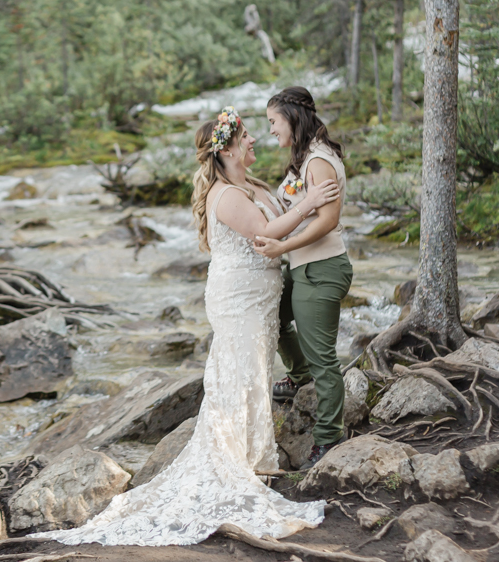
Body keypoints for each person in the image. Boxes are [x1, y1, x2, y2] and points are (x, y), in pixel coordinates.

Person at [31, 106, 336, 547]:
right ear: (228, 149)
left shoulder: (248, 184)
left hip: (257, 296)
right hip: (240, 299)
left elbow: (277, 214)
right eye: (246, 136)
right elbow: (267, 233)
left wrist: (300, 195)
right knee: (240, 375)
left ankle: (253, 460)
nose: (254, 140)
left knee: (252, 376)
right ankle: (240, 466)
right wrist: (310, 202)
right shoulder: (227, 196)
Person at [254, 86, 353, 470]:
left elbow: (327, 221)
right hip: (303, 267)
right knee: (272, 316)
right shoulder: (305, 158)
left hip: (321, 268)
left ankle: (330, 438)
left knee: (324, 360)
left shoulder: (318, 161)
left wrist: (283, 246)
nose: (271, 130)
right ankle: (298, 375)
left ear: (292, 118)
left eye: (273, 122)